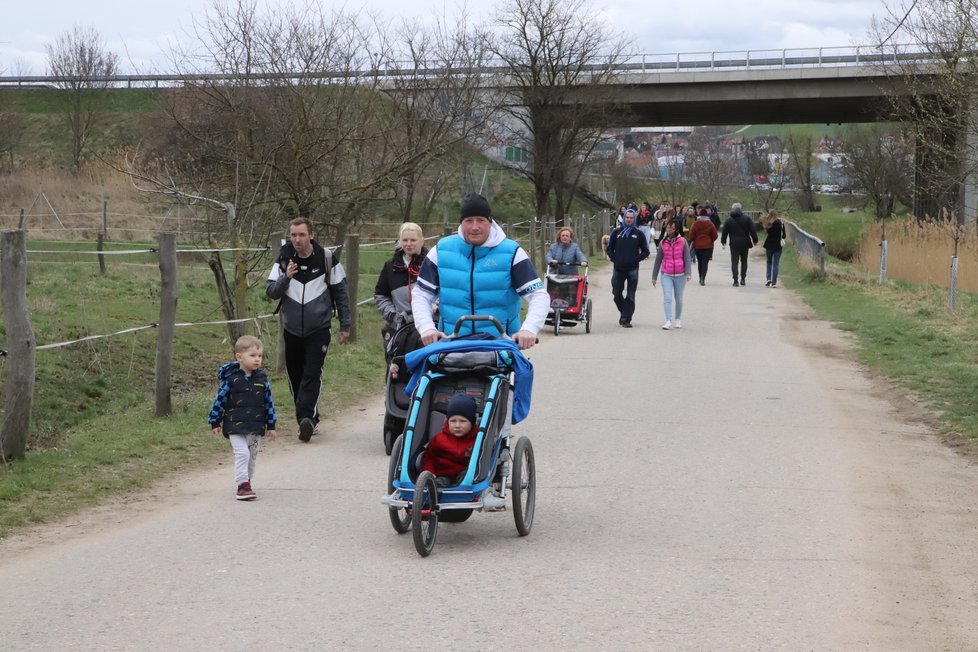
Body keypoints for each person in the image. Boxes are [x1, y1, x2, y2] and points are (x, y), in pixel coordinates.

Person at [411, 192, 549, 350]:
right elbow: (421, 294)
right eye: (468, 220)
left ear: (490, 222)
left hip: (501, 345)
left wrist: (529, 329)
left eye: (481, 220)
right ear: (461, 223)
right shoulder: (441, 251)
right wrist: (427, 328)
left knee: (524, 374)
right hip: (451, 344)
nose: (475, 227)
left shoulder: (512, 253)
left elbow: (538, 295)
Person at [266, 216, 351, 442]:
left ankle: (307, 419)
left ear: (311, 235)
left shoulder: (327, 259)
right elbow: (272, 292)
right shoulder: (283, 259)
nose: (297, 239)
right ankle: (307, 418)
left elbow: (341, 294)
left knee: (312, 373)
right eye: (293, 235)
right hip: (291, 329)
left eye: (302, 235)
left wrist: (345, 325)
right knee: (295, 376)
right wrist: (286, 278)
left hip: (319, 328)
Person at [208, 335, 278, 501]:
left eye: (259, 356)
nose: (257, 359)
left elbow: (269, 402)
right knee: (242, 454)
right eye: (252, 356)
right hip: (235, 425)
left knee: (251, 457)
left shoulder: (262, 379)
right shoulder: (231, 379)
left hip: (256, 426)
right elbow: (220, 400)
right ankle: (242, 485)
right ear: (239, 357)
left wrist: (272, 425)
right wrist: (215, 421)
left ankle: (247, 481)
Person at [374, 221, 428, 331]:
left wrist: (435, 307)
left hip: (429, 326)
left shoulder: (432, 264)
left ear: (422, 241)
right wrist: (392, 315)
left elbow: (443, 290)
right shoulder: (390, 266)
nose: (408, 244)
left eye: (413, 240)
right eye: (405, 240)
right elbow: (381, 295)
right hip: (399, 328)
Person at [605, 207, 650, 328]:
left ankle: (626, 319)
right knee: (616, 293)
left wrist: (635, 260)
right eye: (627, 217)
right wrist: (615, 258)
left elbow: (646, 252)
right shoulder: (616, 232)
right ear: (624, 218)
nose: (629, 219)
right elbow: (609, 248)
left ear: (634, 219)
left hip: (632, 269)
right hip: (618, 268)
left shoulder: (638, 234)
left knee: (630, 294)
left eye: (631, 218)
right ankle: (624, 311)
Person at [420, 393, 479, 482]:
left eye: (463, 421)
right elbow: (429, 458)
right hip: (443, 474)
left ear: (472, 422)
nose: (457, 425)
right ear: (448, 421)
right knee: (438, 483)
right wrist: (430, 471)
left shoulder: (477, 440)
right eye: (453, 421)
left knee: (467, 477)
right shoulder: (439, 439)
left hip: (465, 475)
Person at [650, 219, 692, 330]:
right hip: (666, 274)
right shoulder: (663, 243)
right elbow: (658, 261)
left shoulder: (683, 241)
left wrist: (688, 273)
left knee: (679, 298)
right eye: (668, 227)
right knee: (667, 297)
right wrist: (654, 277)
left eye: (672, 228)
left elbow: (687, 258)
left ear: (676, 229)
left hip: (680, 274)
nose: (669, 230)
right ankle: (668, 320)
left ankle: (677, 319)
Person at [720, 202, 758, 287]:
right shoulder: (747, 218)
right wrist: (755, 240)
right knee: (744, 261)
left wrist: (723, 241)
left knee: (734, 262)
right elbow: (752, 230)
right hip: (745, 243)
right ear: (741, 209)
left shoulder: (729, 219)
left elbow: (724, 231)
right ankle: (743, 279)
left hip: (734, 244)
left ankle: (735, 280)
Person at [688, 207, 719, 285]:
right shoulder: (710, 223)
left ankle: (700, 277)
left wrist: (695, 240)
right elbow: (715, 235)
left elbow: (691, 235)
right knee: (705, 262)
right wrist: (711, 240)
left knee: (700, 262)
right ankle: (703, 278)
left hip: (698, 246)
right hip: (708, 246)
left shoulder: (695, 223)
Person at [762, 208, 787, 287]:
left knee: (769, 262)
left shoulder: (769, 224)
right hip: (778, 246)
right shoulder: (781, 223)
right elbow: (784, 236)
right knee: (776, 263)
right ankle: (774, 282)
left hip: (769, 244)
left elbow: (767, 232)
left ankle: (768, 279)